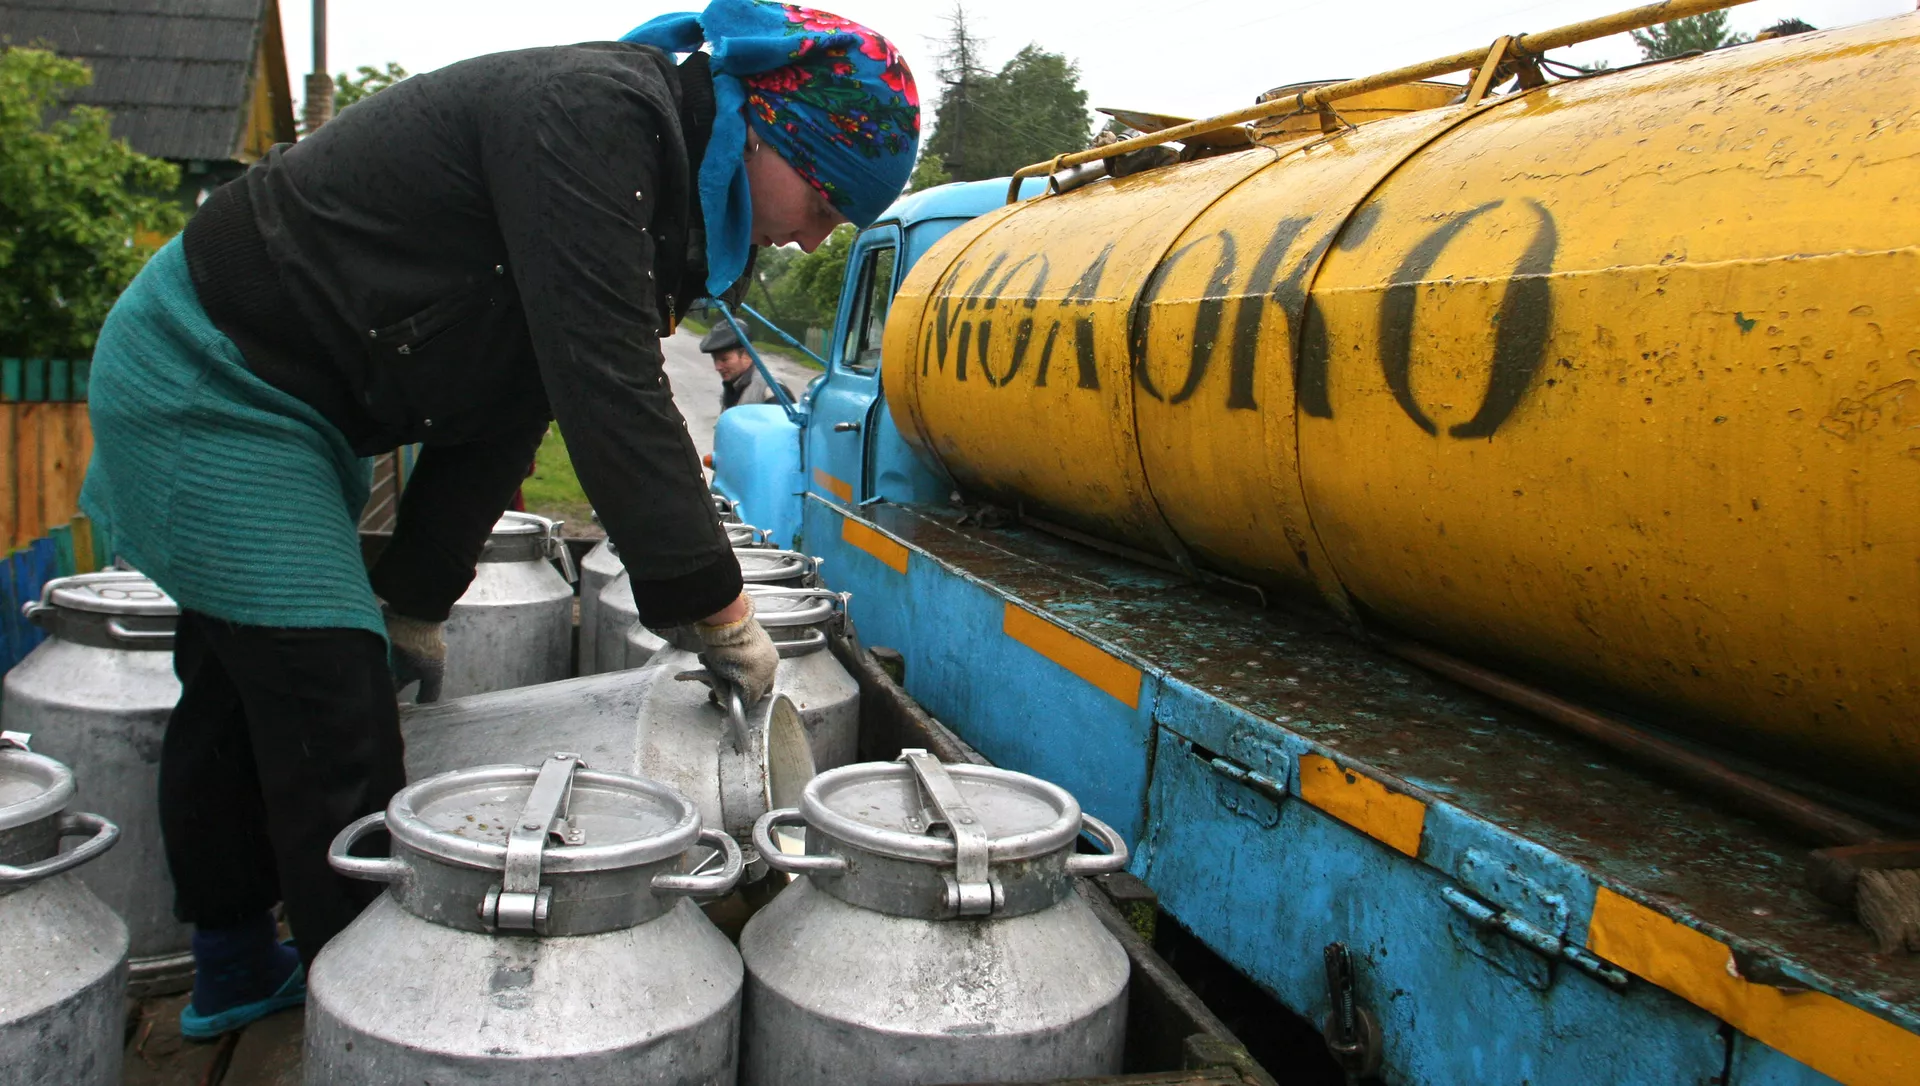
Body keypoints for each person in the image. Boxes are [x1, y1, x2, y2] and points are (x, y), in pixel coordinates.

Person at [78, 0, 917, 1037]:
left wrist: (418, 594)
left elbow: (515, 398)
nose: (813, 234)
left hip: (294, 400)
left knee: (240, 678)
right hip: (212, 373)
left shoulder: (658, 186)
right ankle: (382, 1018)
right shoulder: (595, 119)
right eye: (825, 201)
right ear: (767, 132)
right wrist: (718, 608)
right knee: (328, 700)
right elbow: (612, 390)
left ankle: (235, 967)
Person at [701, 318, 794, 409]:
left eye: (724, 359)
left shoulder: (772, 391)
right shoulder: (732, 386)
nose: (717, 367)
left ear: (746, 354)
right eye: (715, 359)